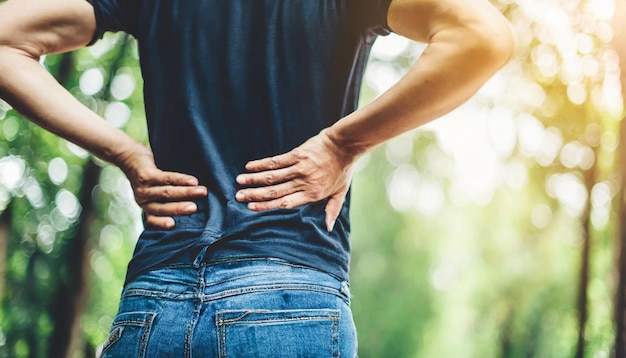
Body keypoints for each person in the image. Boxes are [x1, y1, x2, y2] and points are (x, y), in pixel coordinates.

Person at [0, 0, 515, 356]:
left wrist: (124, 152)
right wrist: (344, 143)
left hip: (155, 303)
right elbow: (483, 36)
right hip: (290, 299)